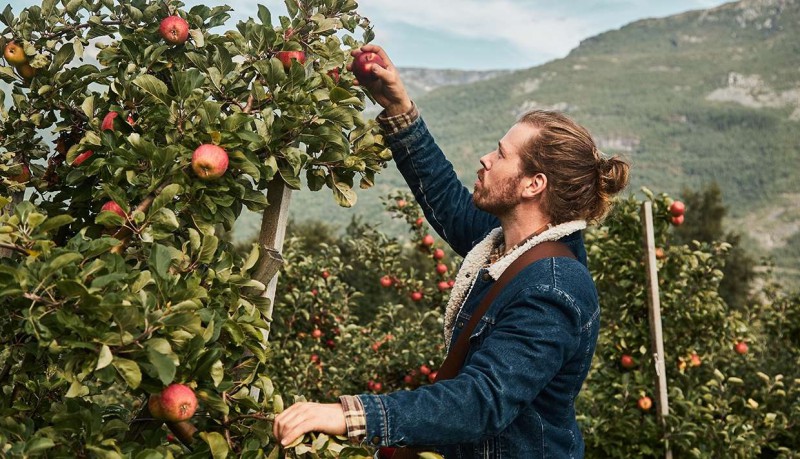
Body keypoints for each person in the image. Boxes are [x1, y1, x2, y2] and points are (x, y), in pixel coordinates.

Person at [273, 44, 630, 458]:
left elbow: (483, 400)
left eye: (501, 154)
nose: (485, 158)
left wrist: (353, 414)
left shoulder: (553, 289)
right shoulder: (507, 244)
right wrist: (397, 106)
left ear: (534, 184)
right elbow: (449, 204)